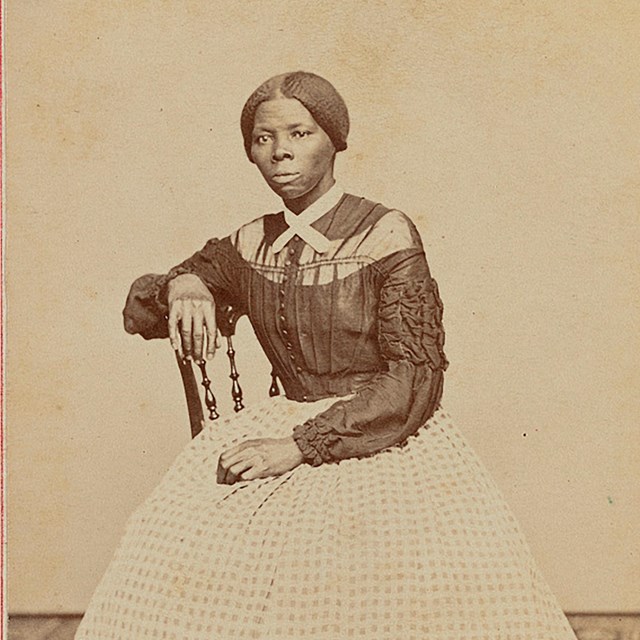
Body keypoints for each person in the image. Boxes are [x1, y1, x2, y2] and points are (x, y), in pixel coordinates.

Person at [76, 71, 577, 639]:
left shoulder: (385, 232)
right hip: (278, 423)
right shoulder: (248, 243)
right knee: (164, 566)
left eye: (300, 133)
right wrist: (182, 285)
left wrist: (297, 445)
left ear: (334, 140)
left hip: (383, 435)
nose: (281, 152)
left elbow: (415, 379)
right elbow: (143, 311)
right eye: (263, 140)